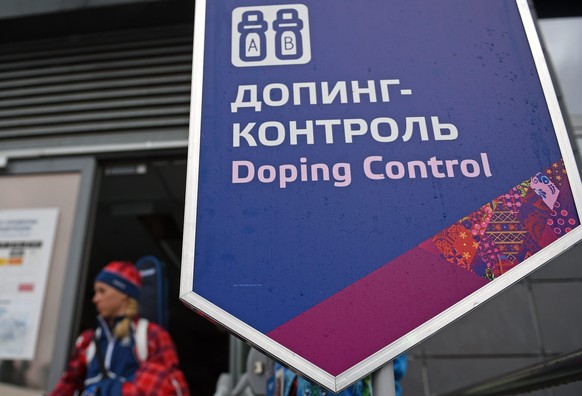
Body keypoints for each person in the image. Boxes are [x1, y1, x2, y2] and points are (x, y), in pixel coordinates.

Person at [49, 261, 190, 396]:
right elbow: (67, 384)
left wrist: (107, 390)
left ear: (123, 293)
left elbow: (167, 385)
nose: (95, 299)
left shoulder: (151, 334)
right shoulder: (88, 340)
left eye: (102, 291)